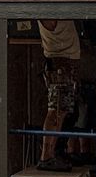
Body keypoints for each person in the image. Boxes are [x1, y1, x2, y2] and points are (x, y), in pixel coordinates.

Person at [35, 20, 82, 167]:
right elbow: (49, 22)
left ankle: (55, 153)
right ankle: (46, 157)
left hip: (64, 62)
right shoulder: (46, 7)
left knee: (64, 112)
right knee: (57, 111)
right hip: (60, 62)